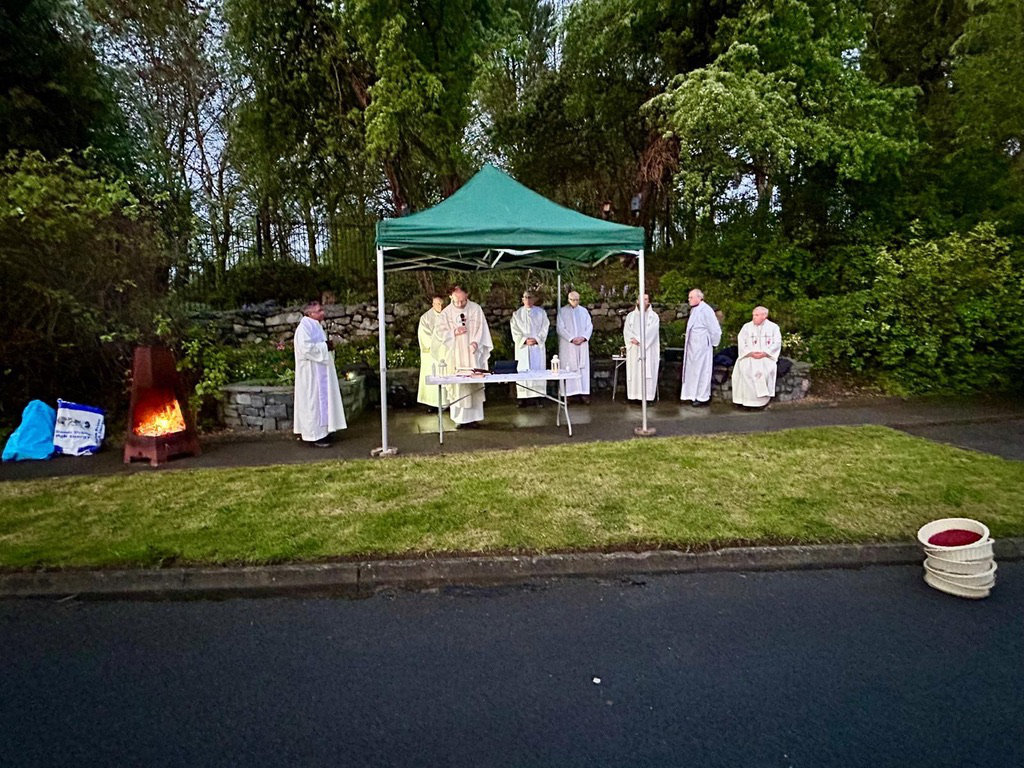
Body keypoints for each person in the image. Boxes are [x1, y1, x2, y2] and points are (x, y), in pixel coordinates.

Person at [433, 284, 493, 429]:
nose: (460, 304)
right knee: (459, 386)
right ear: (450, 297)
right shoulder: (446, 313)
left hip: (473, 354)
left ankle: (474, 418)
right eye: (457, 301)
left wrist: (476, 342)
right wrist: (453, 332)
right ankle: (460, 419)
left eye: (462, 301)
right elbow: (439, 332)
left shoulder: (476, 309)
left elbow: (482, 329)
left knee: (473, 385)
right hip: (456, 354)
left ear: (467, 295)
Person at [293, 300, 347, 447]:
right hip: (311, 374)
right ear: (310, 313)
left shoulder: (316, 325)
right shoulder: (303, 328)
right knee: (313, 403)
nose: (322, 313)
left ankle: (325, 431)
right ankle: (315, 435)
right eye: (319, 311)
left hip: (320, 371)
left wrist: (327, 347)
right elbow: (306, 349)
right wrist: (325, 346)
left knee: (322, 401)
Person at [732, 305, 782, 409]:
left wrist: (765, 353)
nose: (753, 317)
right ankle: (745, 401)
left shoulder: (773, 327)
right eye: (753, 315)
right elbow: (741, 341)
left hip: (766, 357)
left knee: (763, 371)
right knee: (744, 370)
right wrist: (750, 353)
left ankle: (760, 402)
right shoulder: (746, 327)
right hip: (748, 356)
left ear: (764, 316)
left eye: (756, 315)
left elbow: (777, 343)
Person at [680, 288, 722, 407]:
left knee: (702, 371)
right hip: (692, 348)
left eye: (691, 297)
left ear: (699, 297)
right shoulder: (694, 310)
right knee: (692, 371)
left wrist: (713, 343)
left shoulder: (706, 310)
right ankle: (691, 394)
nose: (689, 299)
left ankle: (702, 396)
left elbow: (714, 329)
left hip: (702, 346)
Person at [510, 290, 550, 406]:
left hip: (536, 347)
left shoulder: (541, 313)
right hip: (523, 348)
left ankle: (539, 397)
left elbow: (545, 327)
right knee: (523, 370)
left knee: (538, 369)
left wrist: (537, 339)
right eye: (525, 297)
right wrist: (524, 340)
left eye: (530, 297)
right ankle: (523, 398)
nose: (528, 300)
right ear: (522, 299)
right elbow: (515, 330)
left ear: (534, 299)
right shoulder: (517, 314)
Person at [556, 290, 593, 404]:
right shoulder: (562, 312)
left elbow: (589, 326)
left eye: (576, 300)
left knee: (582, 368)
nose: (574, 302)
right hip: (568, 345)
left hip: (582, 344)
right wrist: (571, 338)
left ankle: (583, 393)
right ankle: (568, 394)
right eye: (572, 300)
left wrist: (583, 337)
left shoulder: (584, 311)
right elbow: (560, 328)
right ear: (568, 300)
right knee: (568, 367)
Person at [623, 293, 660, 402]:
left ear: (649, 301)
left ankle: (647, 397)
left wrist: (639, 340)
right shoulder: (630, 316)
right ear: (637, 301)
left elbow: (652, 332)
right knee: (634, 372)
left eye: (646, 299)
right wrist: (632, 340)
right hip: (634, 349)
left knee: (647, 372)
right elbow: (626, 331)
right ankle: (634, 396)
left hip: (648, 349)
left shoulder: (654, 317)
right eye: (641, 299)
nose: (644, 301)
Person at [417, 294, 446, 410]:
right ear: (433, 304)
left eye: (442, 304)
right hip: (432, 354)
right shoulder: (425, 318)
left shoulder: (448, 315)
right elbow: (425, 336)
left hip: (446, 352)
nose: (440, 307)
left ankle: (447, 402)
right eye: (438, 304)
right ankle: (432, 404)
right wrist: (439, 343)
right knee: (433, 376)